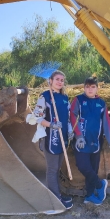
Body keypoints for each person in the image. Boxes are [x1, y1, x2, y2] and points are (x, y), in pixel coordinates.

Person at [26, 70, 74, 209]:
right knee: (52, 169)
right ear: (51, 81)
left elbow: (68, 117)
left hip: (63, 137)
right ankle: (55, 199)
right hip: (51, 138)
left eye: (62, 80)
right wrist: (51, 124)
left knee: (58, 168)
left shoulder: (65, 98)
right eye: (57, 79)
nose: (60, 82)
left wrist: (70, 130)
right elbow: (36, 117)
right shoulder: (45, 97)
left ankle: (57, 193)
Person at [70, 76, 110, 205]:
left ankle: (89, 195)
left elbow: (106, 122)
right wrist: (79, 136)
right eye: (87, 87)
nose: (90, 89)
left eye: (93, 87)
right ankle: (100, 184)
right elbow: (72, 116)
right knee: (83, 166)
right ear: (84, 88)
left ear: (97, 88)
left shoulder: (101, 103)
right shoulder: (78, 100)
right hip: (81, 141)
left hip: (95, 141)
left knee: (93, 168)